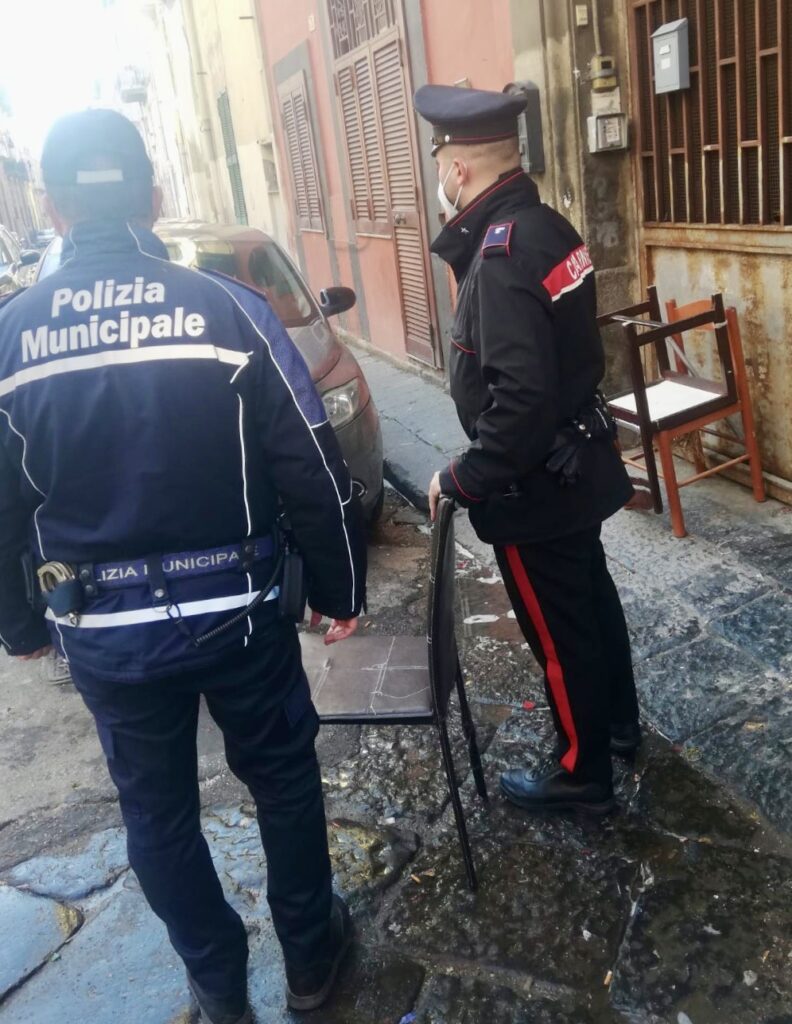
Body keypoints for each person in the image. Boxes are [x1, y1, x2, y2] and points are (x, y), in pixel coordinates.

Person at [0, 109, 367, 1023]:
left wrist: (19, 624)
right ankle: (311, 958)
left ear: (51, 209)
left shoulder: (11, 335)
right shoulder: (228, 310)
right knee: (282, 777)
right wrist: (339, 590)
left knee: (155, 813)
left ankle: (216, 980)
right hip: (241, 615)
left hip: (106, 635)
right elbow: (312, 462)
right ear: (155, 197)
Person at [413, 84, 640, 816]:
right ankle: (618, 726)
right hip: (575, 462)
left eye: (440, 163)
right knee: (592, 602)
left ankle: (582, 773)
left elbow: (520, 401)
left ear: (458, 169)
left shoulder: (502, 253)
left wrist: (463, 476)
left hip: (536, 483)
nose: (440, 176)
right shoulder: (547, 225)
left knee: (561, 631)